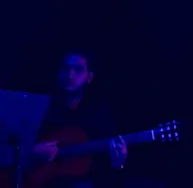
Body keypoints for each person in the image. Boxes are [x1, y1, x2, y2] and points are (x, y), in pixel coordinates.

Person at [31, 50, 127, 188]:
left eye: (78, 70)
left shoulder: (100, 114)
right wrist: (33, 150)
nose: (70, 75)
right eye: (66, 69)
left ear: (89, 77)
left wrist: (119, 162)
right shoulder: (42, 106)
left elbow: (107, 169)